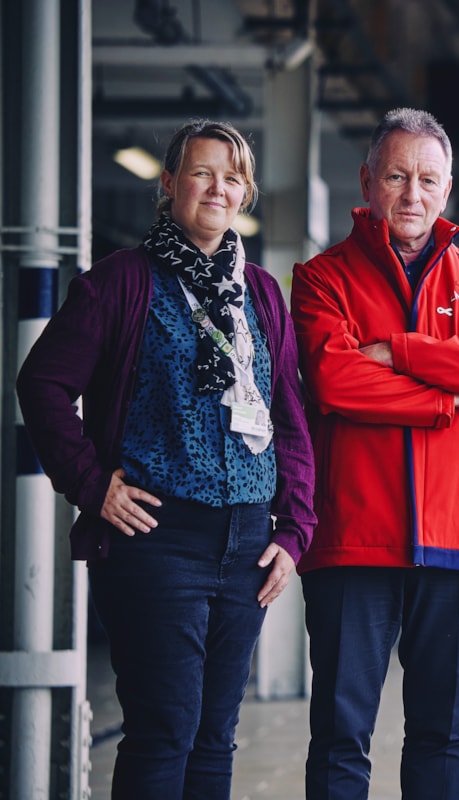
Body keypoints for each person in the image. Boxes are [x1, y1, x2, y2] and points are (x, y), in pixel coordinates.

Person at [16, 119, 316, 798]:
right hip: (157, 540)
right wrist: (92, 486)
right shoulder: (122, 281)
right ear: (170, 184)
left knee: (215, 736)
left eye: (232, 177)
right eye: (202, 173)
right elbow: (43, 383)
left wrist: (295, 532)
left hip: (246, 544)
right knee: (164, 729)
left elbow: (288, 419)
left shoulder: (262, 293)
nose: (217, 188)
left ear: (246, 192)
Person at [290, 107, 459, 799]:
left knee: (441, 733)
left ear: (448, 187)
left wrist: (400, 351)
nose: (412, 194)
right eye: (396, 176)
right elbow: (335, 379)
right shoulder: (322, 278)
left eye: (427, 179)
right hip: (353, 541)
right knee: (341, 733)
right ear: (368, 181)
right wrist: (443, 402)